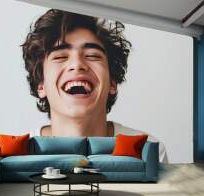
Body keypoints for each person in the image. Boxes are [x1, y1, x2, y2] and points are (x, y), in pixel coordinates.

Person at [22, 9, 167, 162]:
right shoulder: (16, 154)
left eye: (92, 55)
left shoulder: (149, 151)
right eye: (60, 56)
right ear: (41, 85)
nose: (77, 64)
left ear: (112, 82)